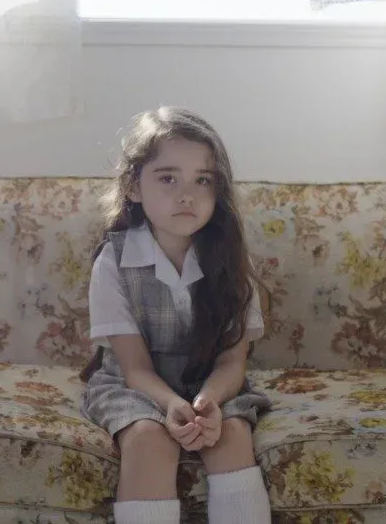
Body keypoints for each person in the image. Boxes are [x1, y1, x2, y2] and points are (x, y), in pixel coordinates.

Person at [79, 106, 272, 524]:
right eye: (168, 178)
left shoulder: (230, 260)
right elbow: (134, 368)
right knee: (149, 439)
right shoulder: (114, 262)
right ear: (134, 186)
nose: (187, 194)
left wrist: (208, 402)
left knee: (232, 435)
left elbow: (232, 360)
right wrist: (170, 403)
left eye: (202, 180)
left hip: (212, 384)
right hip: (137, 385)